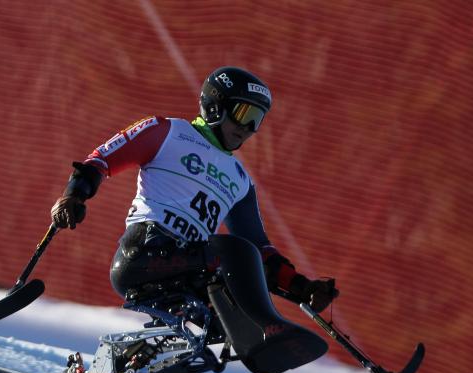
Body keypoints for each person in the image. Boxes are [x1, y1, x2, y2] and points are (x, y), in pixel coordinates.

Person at [50, 65, 338, 324]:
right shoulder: (168, 132)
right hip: (144, 254)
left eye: (257, 120)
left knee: (236, 289)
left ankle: (133, 363)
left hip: (192, 272)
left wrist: (302, 286)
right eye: (244, 115)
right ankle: (268, 329)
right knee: (233, 256)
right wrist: (73, 195)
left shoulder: (241, 181)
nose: (248, 129)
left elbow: (259, 247)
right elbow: (100, 160)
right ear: (216, 107)